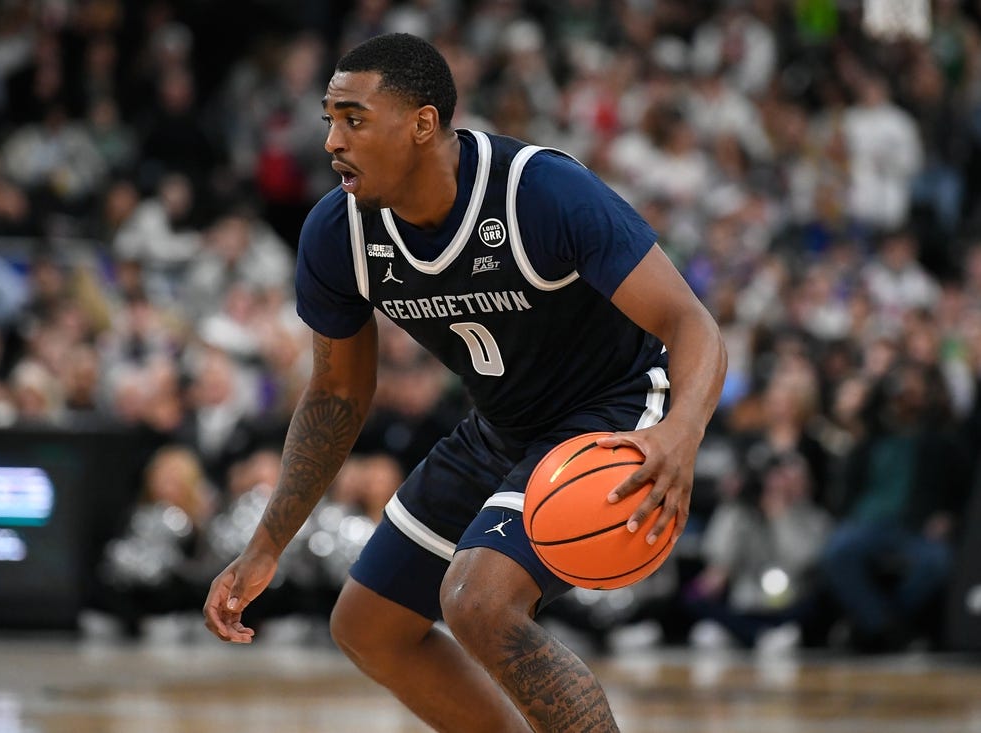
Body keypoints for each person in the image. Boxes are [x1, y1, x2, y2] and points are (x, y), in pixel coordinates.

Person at [204, 33, 726, 733]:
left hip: (614, 406)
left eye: (353, 118)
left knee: (478, 600)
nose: (331, 140)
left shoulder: (539, 191)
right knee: (369, 625)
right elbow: (335, 395)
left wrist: (680, 433)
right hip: (501, 425)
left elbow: (692, 325)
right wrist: (268, 542)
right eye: (329, 117)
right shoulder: (339, 232)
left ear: (422, 123)